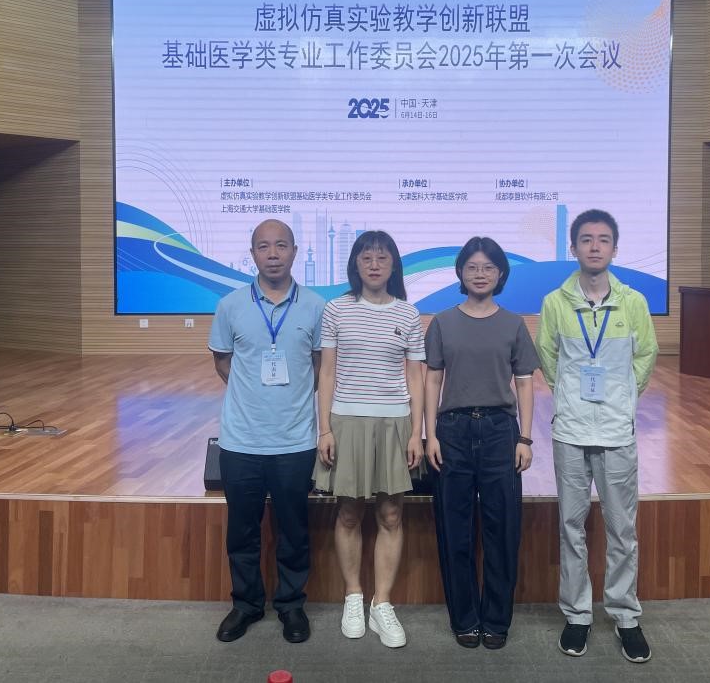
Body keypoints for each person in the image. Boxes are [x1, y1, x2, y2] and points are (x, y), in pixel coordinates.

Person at [535, 209, 659, 664]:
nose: (594, 246)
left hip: (616, 430)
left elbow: (646, 355)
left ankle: (625, 615)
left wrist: (621, 398)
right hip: (570, 430)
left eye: (603, 239)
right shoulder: (555, 302)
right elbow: (548, 357)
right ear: (573, 248)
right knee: (571, 526)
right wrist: (572, 395)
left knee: (622, 528)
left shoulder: (633, 302)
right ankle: (577, 614)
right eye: (586, 239)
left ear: (614, 248)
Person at [208, 219, 325, 645]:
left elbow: (319, 365)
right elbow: (223, 361)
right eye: (263, 246)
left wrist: (288, 398)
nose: (272, 254)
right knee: (242, 531)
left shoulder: (316, 306)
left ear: (294, 251)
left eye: (281, 245)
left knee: (294, 530)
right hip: (241, 440)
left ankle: (291, 605)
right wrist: (253, 396)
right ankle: (246, 604)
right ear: (252, 254)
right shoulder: (230, 306)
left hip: (295, 440)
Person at [424, 236, 539, 650]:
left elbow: (524, 383)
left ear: (500, 274)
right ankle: (465, 619)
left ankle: (496, 620)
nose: (479, 274)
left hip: (499, 432)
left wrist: (525, 437)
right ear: (460, 272)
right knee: (454, 530)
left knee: (501, 530)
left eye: (488, 267)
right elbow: (432, 381)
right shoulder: (442, 322)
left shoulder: (513, 324)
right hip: (452, 432)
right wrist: (430, 434)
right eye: (472, 267)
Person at [314, 230, 425, 649]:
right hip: (347, 422)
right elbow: (327, 372)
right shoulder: (336, 309)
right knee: (348, 513)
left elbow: (415, 376)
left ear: (394, 265)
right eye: (366, 258)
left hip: (395, 423)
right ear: (355, 265)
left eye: (382, 258)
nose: (374, 265)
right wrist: (325, 428)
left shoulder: (408, 314)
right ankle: (353, 597)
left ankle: (382, 603)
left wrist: (417, 432)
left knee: (391, 515)